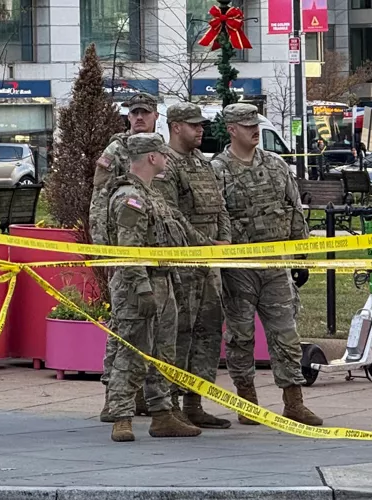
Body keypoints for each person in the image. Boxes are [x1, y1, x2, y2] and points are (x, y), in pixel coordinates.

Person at [212, 103, 323, 427]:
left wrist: (300, 255)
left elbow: (293, 209)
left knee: (286, 335)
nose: (254, 129)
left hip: (275, 268)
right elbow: (215, 221)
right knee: (240, 337)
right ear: (232, 129)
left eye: (255, 123)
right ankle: (247, 401)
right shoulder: (218, 170)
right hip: (239, 270)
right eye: (246, 125)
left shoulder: (276, 166)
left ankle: (294, 401)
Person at [104, 133, 217, 442]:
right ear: (152, 157)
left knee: (164, 353)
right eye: (163, 155)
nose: (167, 159)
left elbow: (182, 231)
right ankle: (121, 417)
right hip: (138, 285)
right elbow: (130, 249)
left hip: (164, 282)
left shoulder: (153, 195)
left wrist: (216, 248)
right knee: (132, 351)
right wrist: (141, 289)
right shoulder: (131, 197)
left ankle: (163, 414)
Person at [153, 102, 233, 429]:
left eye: (202, 125)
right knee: (178, 334)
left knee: (209, 332)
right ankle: (169, 406)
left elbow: (220, 206)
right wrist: (205, 244)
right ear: (175, 126)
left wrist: (224, 241)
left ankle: (195, 401)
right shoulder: (165, 165)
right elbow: (171, 216)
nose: (201, 130)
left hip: (210, 263)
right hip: (183, 264)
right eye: (194, 125)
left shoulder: (204, 164)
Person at [93, 91, 159, 423]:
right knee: (123, 324)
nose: (138, 118)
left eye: (144, 112)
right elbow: (99, 202)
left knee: (150, 328)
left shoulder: (161, 151)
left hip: (153, 253)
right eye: (134, 113)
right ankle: (114, 396)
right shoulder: (116, 150)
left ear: (155, 115)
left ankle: (141, 394)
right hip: (122, 249)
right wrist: (106, 252)